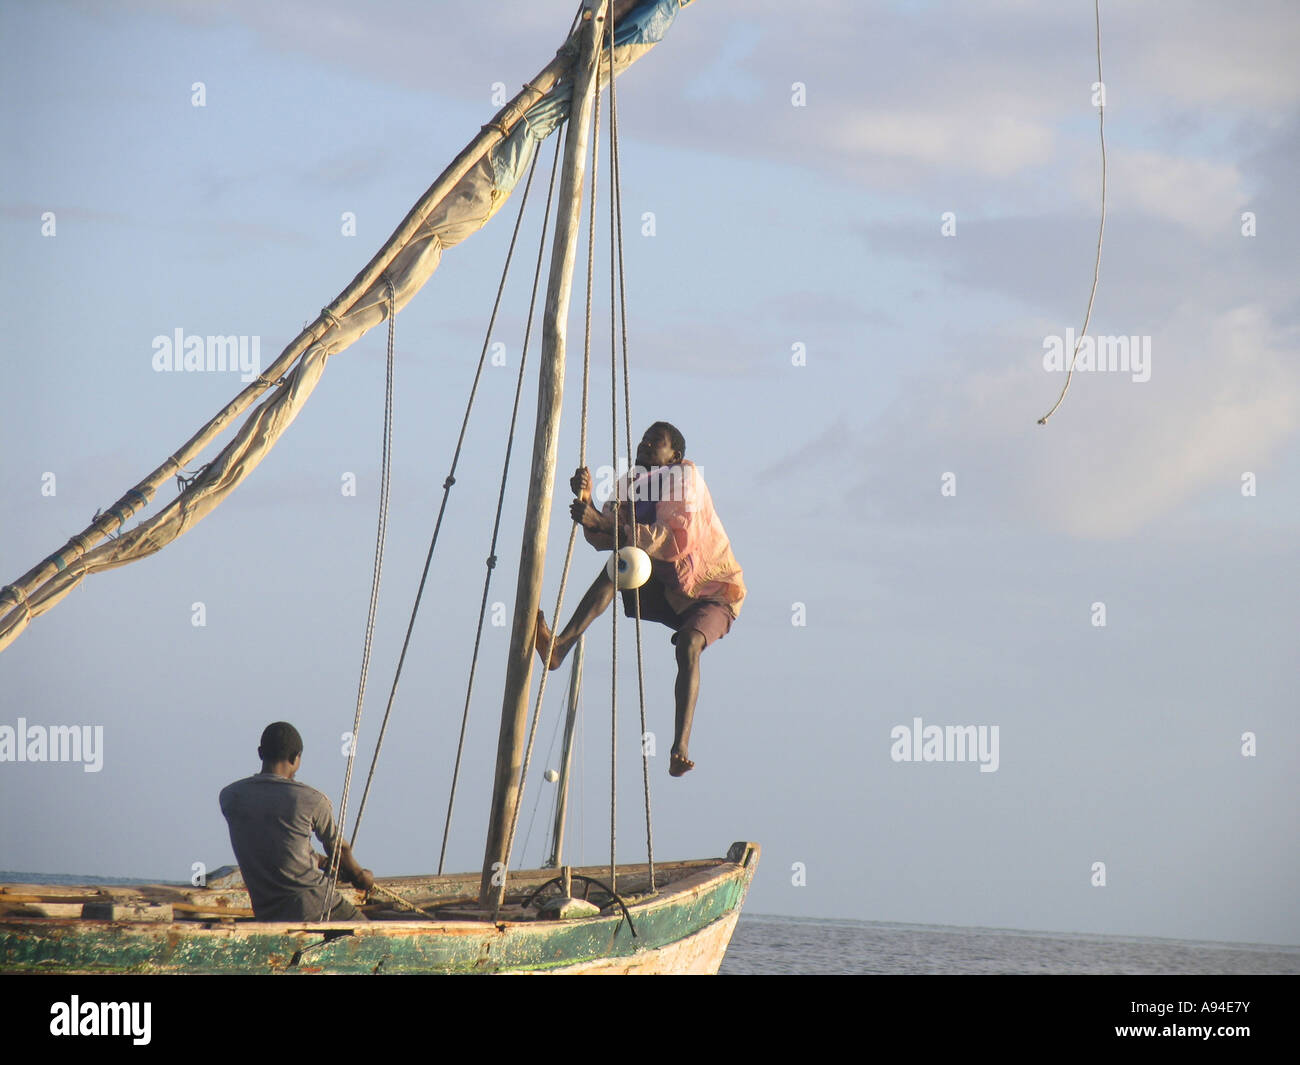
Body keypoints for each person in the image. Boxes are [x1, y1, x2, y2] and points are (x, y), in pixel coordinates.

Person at [534, 422, 744, 777]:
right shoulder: (631, 482)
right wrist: (587, 504)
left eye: (655, 442)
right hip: (667, 589)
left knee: (689, 644)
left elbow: (675, 542)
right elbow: (605, 537)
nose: (645, 445)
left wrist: (601, 520)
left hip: (711, 592)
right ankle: (559, 648)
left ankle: (679, 747)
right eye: (644, 440)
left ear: (674, 456)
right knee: (623, 561)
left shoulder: (685, 479)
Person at [219, 721, 375, 922]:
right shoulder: (311, 799)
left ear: (260, 753)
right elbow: (340, 849)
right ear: (296, 758)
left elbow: (274, 840)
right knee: (369, 937)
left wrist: (321, 861)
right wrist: (360, 877)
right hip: (315, 902)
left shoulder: (231, 797)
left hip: (267, 910)